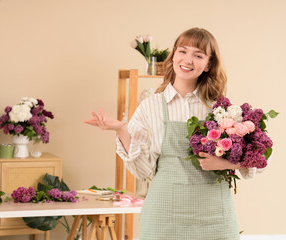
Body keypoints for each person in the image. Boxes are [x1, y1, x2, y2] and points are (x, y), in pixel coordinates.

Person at [84, 27, 265, 240]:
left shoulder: (221, 109)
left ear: (208, 64)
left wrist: (226, 164)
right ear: (173, 56)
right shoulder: (150, 106)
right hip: (164, 214)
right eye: (182, 51)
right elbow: (142, 170)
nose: (188, 60)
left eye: (198, 55)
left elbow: (260, 160)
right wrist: (121, 129)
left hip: (214, 216)